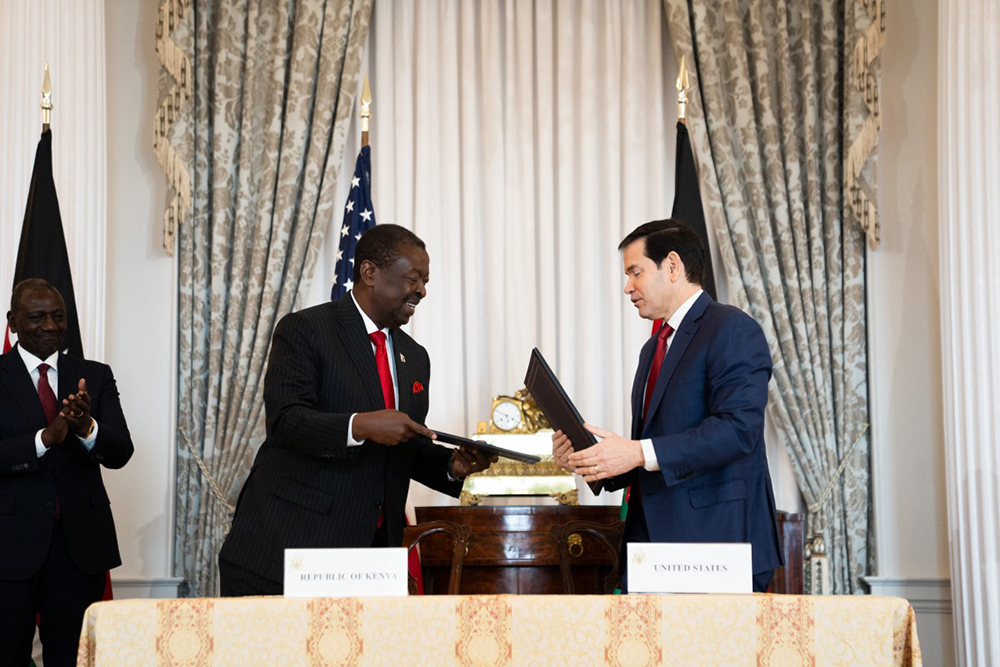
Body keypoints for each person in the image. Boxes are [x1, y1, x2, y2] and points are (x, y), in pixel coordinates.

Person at [219, 224, 495, 595]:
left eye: (426, 281)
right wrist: (359, 425)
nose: (422, 291)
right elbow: (286, 422)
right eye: (414, 279)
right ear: (370, 273)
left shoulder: (415, 357)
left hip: (370, 561)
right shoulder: (305, 329)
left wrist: (452, 466)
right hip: (287, 551)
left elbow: (401, 447)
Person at [552, 220, 783, 592]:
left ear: (672, 266)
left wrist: (636, 451)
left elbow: (738, 430)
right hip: (651, 550)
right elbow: (649, 453)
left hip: (715, 545)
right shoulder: (653, 348)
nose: (627, 287)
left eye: (635, 272)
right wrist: (592, 462)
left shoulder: (732, 329)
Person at [0, 279, 133, 666]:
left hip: (79, 548)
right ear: (12, 321)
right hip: (9, 547)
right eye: (37, 316)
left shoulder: (95, 375)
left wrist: (87, 429)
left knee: (73, 659)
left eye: (58, 317)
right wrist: (45, 438)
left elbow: (121, 452)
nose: (50, 326)